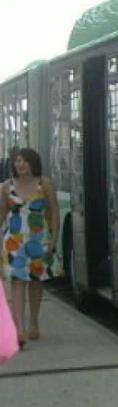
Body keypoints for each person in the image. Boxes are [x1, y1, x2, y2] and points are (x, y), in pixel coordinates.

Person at [0, 148, 60, 346]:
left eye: (25, 161)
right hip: (14, 241)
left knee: (35, 281)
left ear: (33, 164)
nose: (21, 165)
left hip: (38, 239)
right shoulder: (7, 187)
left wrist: (53, 239)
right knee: (17, 281)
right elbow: (2, 215)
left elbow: (53, 212)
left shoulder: (45, 184)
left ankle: (34, 320)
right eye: (18, 161)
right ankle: (19, 328)